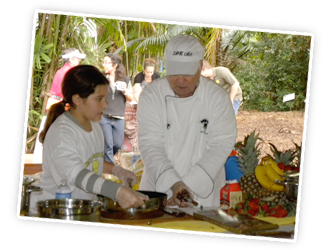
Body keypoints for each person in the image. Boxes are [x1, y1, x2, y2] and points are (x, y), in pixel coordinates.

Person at [29, 65, 148, 215]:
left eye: (105, 98)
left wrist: (117, 170)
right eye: (99, 99)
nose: (106, 104)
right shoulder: (62, 133)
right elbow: (77, 174)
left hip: (83, 211)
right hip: (55, 214)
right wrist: (117, 191)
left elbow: (90, 161)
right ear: (77, 99)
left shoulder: (94, 124)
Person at [137, 34, 237, 207]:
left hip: (202, 193)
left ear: (199, 66)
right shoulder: (151, 95)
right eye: (175, 72)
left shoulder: (217, 97)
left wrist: (186, 188)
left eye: (188, 73)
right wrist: (175, 185)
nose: (180, 80)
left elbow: (221, 145)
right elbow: (150, 144)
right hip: (160, 192)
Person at [34, 48, 86, 163]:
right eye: (77, 58)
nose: (79, 61)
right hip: (61, 105)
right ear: (71, 59)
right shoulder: (70, 72)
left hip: (55, 103)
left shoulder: (61, 71)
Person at [100, 53, 133, 164]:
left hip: (119, 117)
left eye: (106, 63)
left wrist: (125, 91)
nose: (104, 65)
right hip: (104, 117)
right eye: (103, 62)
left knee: (117, 145)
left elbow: (131, 98)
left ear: (114, 65)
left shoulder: (126, 80)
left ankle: (105, 163)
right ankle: (110, 170)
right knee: (108, 144)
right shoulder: (102, 79)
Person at [125, 59, 161, 152]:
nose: (149, 74)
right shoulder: (138, 77)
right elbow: (136, 91)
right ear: (144, 71)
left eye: (151, 72)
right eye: (148, 72)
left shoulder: (157, 76)